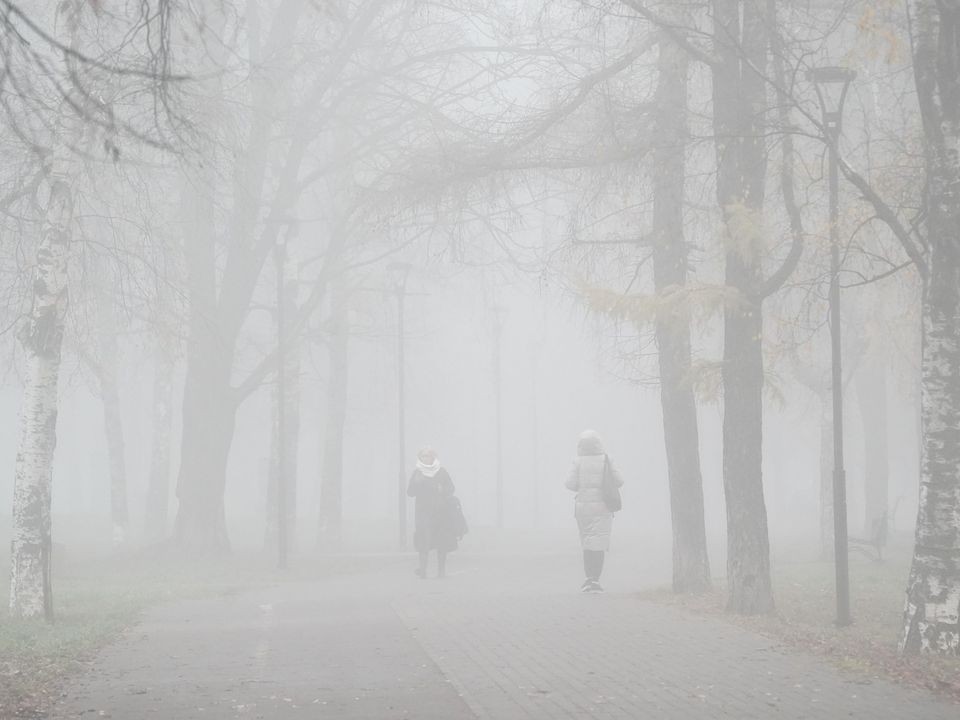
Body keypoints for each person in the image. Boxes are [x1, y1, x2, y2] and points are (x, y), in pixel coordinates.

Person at [565, 430, 623, 593]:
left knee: (587, 542)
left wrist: (582, 486)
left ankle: (588, 578)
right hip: (603, 507)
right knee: (599, 542)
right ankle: (596, 580)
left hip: (583, 508)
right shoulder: (607, 459)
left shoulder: (577, 461)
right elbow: (620, 480)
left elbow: (569, 484)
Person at [407, 447, 459, 578]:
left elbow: (451, 488)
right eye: (423, 456)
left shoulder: (441, 472)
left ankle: (441, 571)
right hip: (423, 514)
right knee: (423, 541)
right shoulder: (417, 473)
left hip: (441, 513)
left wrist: (443, 489)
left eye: (428, 455)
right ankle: (423, 570)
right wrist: (416, 483)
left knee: (441, 542)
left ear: (433, 457)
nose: (425, 458)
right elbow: (410, 492)